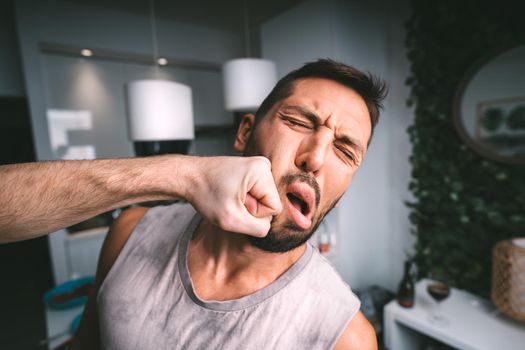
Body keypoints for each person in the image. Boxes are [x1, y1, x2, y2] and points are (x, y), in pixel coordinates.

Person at [1, 58, 386, 349]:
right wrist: (184, 174)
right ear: (245, 132)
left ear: (341, 195)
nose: (315, 159)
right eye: (300, 122)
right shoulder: (130, 232)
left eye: (345, 150)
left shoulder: (346, 336)